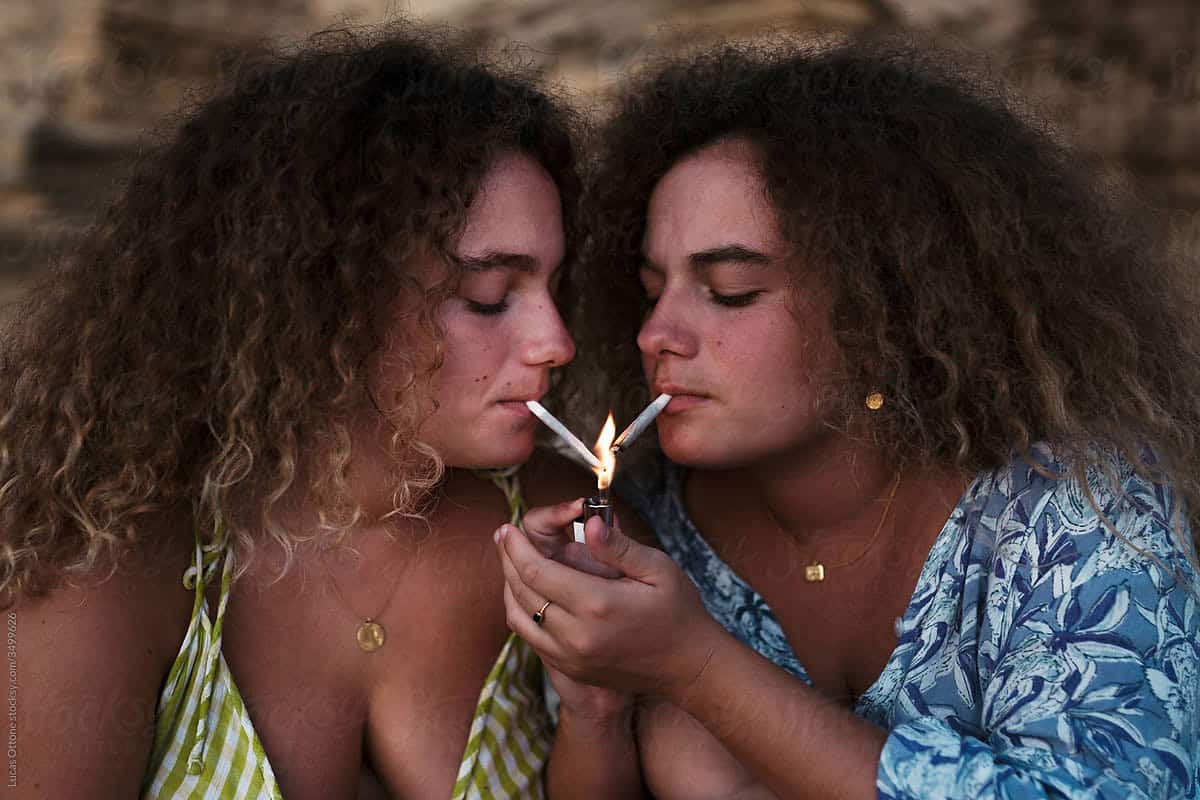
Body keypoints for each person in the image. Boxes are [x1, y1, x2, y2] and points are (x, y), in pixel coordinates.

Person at [496, 40, 1200, 799]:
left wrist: (694, 664)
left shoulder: (1078, 512)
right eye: (650, 288)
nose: (655, 333)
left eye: (730, 290)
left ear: (881, 314)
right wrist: (594, 706)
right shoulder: (648, 525)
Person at [1, 23, 597, 799]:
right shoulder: (112, 564)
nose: (557, 341)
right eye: (488, 297)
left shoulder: (558, 530)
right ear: (327, 300)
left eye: (554, 286)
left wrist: (601, 707)